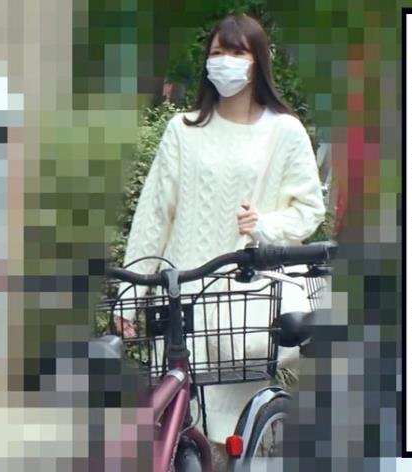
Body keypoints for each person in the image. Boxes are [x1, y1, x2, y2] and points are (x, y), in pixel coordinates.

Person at [117, 13, 326, 453]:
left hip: (243, 307)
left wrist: (265, 225)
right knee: (175, 432)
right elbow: (155, 215)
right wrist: (130, 296)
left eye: (236, 52)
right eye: (216, 52)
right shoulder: (183, 130)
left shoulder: (283, 131)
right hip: (182, 299)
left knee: (238, 435)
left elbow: (309, 209)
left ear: (257, 61)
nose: (224, 61)